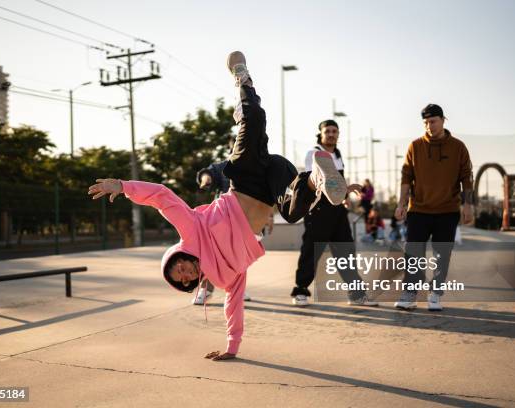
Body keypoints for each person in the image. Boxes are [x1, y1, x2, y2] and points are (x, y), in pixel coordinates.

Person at [88, 51, 362, 361]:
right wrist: (232, 347)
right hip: (272, 188)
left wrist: (124, 187)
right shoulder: (224, 277)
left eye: (175, 267)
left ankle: (242, 79)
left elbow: (163, 197)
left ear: (178, 256)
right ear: (191, 281)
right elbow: (234, 304)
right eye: (181, 278)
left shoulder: (190, 232)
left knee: (255, 119)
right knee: (293, 211)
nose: (181, 271)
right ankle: (315, 179)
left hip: (244, 177)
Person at [394, 103, 474, 311]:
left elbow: (467, 177)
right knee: (413, 253)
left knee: (442, 255)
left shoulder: (458, 147)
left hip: (447, 211)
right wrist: (401, 204)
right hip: (418, 210)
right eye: (426, 122)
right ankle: (410, 293)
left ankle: (435, 293)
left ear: (443, 120)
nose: (429, 126)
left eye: (433, 121)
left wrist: (468, 205)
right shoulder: (415, 146)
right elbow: (406, 177)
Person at [291, 120, 378, 307]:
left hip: (337, 211)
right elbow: (314, 182)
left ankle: (356, 294)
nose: (331, 134)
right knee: (312, 252)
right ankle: (301, 291)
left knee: (346, 253)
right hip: (318, 210)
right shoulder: (313, 153)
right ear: (320, 134)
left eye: (334, 131)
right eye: (327, 131)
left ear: (338, 134)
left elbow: (335, 184)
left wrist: (344, 193)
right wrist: (344, 189)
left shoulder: (337, 155)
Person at [194, 141, 252, 305]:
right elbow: (208, 172)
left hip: (245, 219)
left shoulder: (256, 168)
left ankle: (237, 290)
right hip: (221, 217)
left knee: (239, 255)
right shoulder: (224, 166)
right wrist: (206, 179)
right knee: (212, 253)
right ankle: (205, 290)